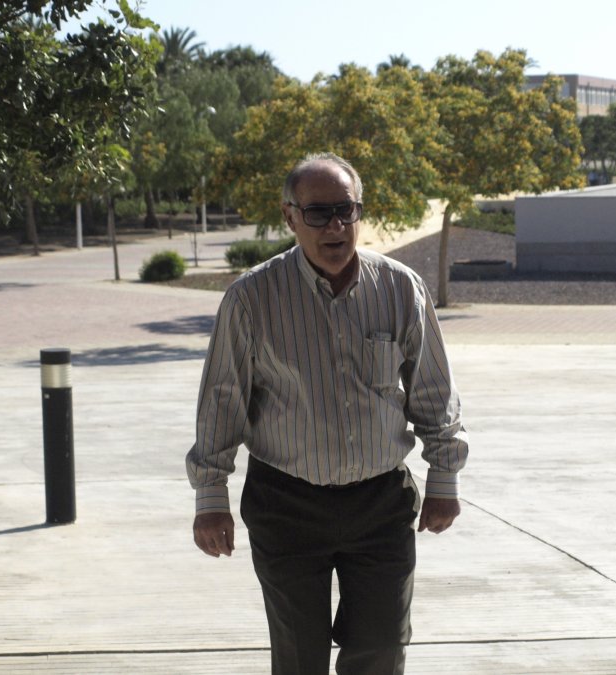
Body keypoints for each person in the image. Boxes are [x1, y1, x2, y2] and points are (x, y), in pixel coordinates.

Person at [186, 152, 469, 674]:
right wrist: (211, 496)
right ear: (290, 217)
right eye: (318, 213)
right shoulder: (251, 298)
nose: (335, 225)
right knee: (300, 658)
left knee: (382, 648)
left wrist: (444, 480)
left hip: (380, 503)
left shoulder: (401, 288)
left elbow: (433, 389)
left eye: (347, 210)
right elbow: (222, 399)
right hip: (285, 504)